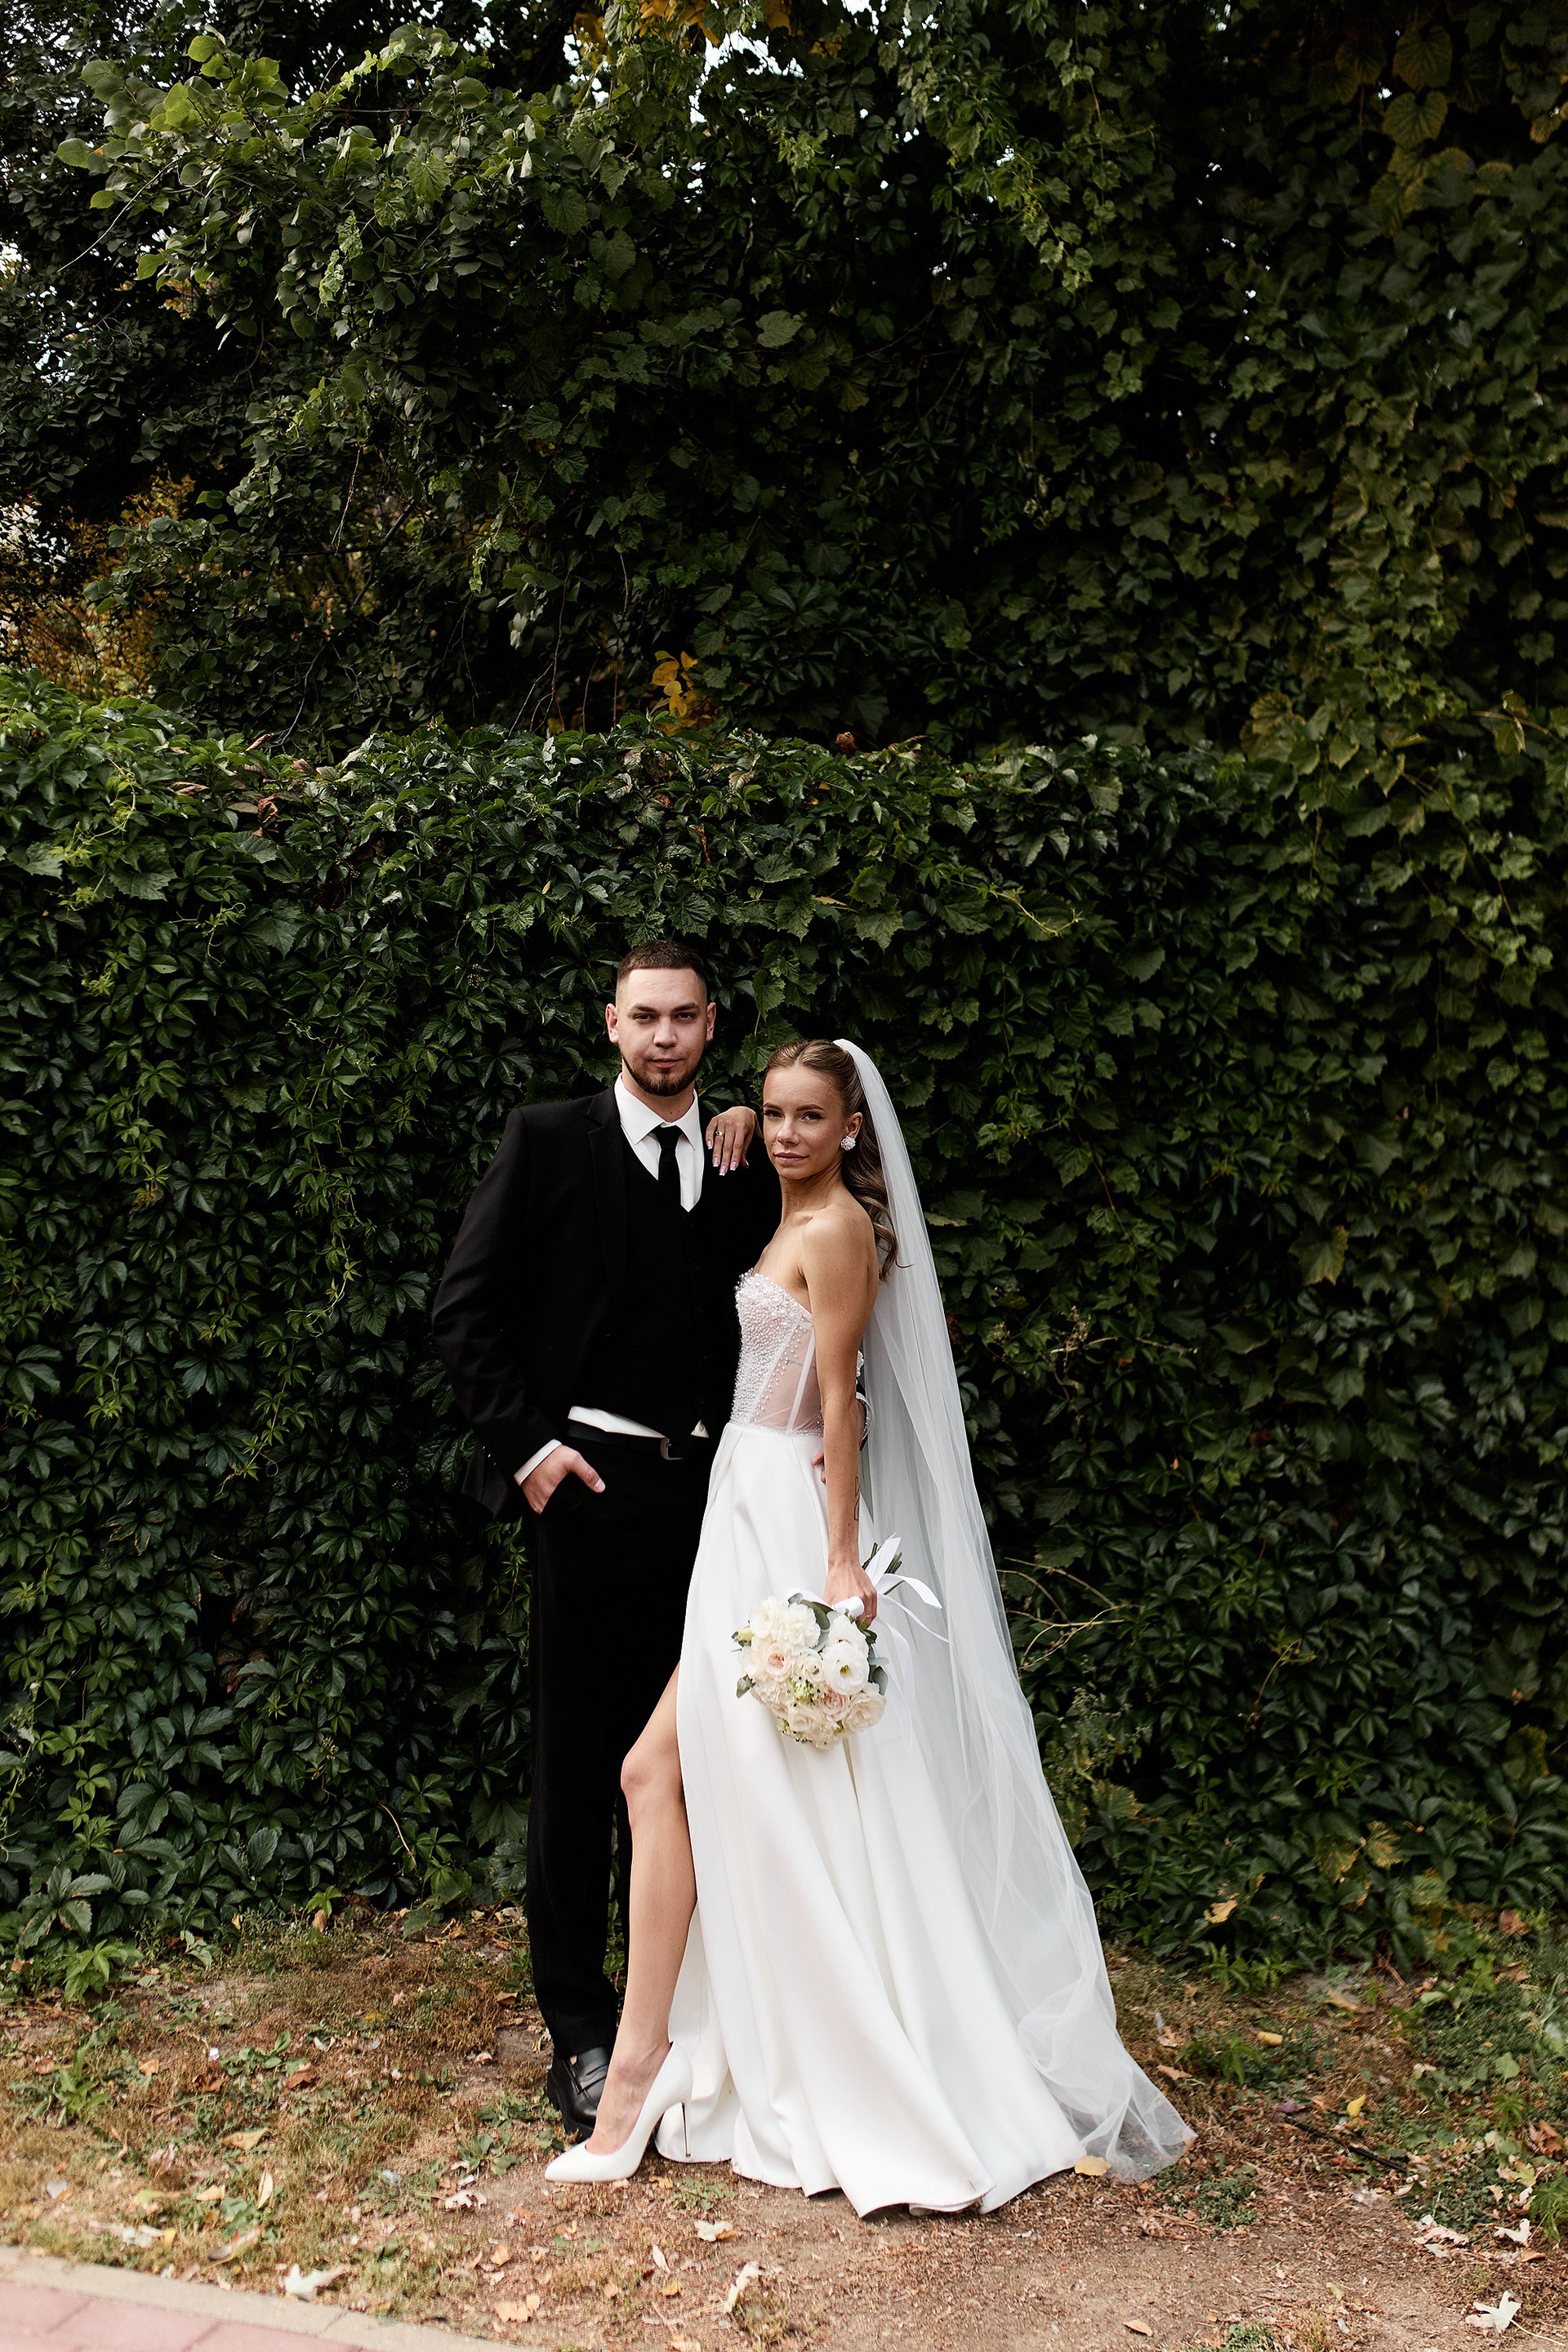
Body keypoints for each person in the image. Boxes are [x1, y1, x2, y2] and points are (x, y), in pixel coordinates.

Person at [545, 1039, 1192, 2212]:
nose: (786, 1134)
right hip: (741, 1504)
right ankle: (671, 2054)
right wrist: (734, 1119)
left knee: (674, 1774)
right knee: (680, 1778)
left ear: (852, 1127)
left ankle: (643, 2074)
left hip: (786, 1521)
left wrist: (840, 1559)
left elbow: (839, 1399)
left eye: (810, 1117)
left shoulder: (838, 1228)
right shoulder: (790, 1206)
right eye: (774, 1114)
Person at [430, 941, 777, 2137]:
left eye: (683, 1017)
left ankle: (676, 2016)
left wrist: (752, 1123)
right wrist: (532, 1452)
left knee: (692, 1762)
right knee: (580, 1768)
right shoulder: (545, 1141)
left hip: (717, 1501)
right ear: (612, 1024)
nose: (663, 1036)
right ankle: (581, 2033)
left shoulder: (741, 1159)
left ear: (712, 1025)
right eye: (644, 1017)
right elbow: (464, 1311)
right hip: (585, 1489)